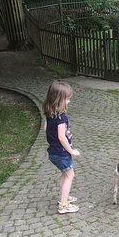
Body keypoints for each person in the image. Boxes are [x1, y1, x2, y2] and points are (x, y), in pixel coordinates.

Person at [43, 80, 81, 214]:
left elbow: (46, 128)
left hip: (53, 152)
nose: (69, 101)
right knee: (70, 175)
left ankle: (64, 196)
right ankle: (63, 205)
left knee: (65, 175)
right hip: (62, 153)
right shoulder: (61, 117)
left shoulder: (50, 114)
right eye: (67, 99)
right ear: (58, 100)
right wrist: (71, 150)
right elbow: (61, 137)